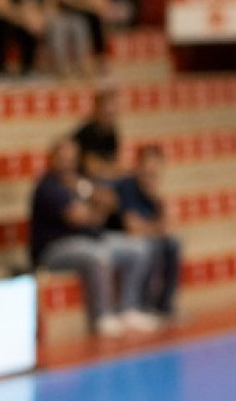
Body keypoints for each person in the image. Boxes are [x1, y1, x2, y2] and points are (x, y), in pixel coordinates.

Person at [30, 138, 156, 338]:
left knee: (138, 249)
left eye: (71, 159)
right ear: (52, 159)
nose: (67, 164)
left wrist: (90, 195)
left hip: (90, 239)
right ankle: (101, 317)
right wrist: (97, 206)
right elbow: (81, 217)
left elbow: (112, 201)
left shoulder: (81, 183)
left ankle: (128, 309)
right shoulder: (48, 187)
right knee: (98, 255)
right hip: (55, 250)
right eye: (62, 158)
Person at [111, 143, 181, 320]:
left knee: (173, 243)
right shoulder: (127, 186)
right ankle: (143, 304)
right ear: (138, 165)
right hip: (117, 238)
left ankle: (165, 305)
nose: (151, 172)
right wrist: (156, 228)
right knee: (150, 246)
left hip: (142, 237)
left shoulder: (152, 193)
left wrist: (159, 203)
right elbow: (133, 227)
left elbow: (169, 226)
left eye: (155, 167)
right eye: (147, 166)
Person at [72, 83, 124, 181]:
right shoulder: (87, 132)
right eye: (107, 113)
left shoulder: (112, 133)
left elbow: (116, 164)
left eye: (112, 114)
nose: (110, 118)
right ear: (97, 110)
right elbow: (91, 168)